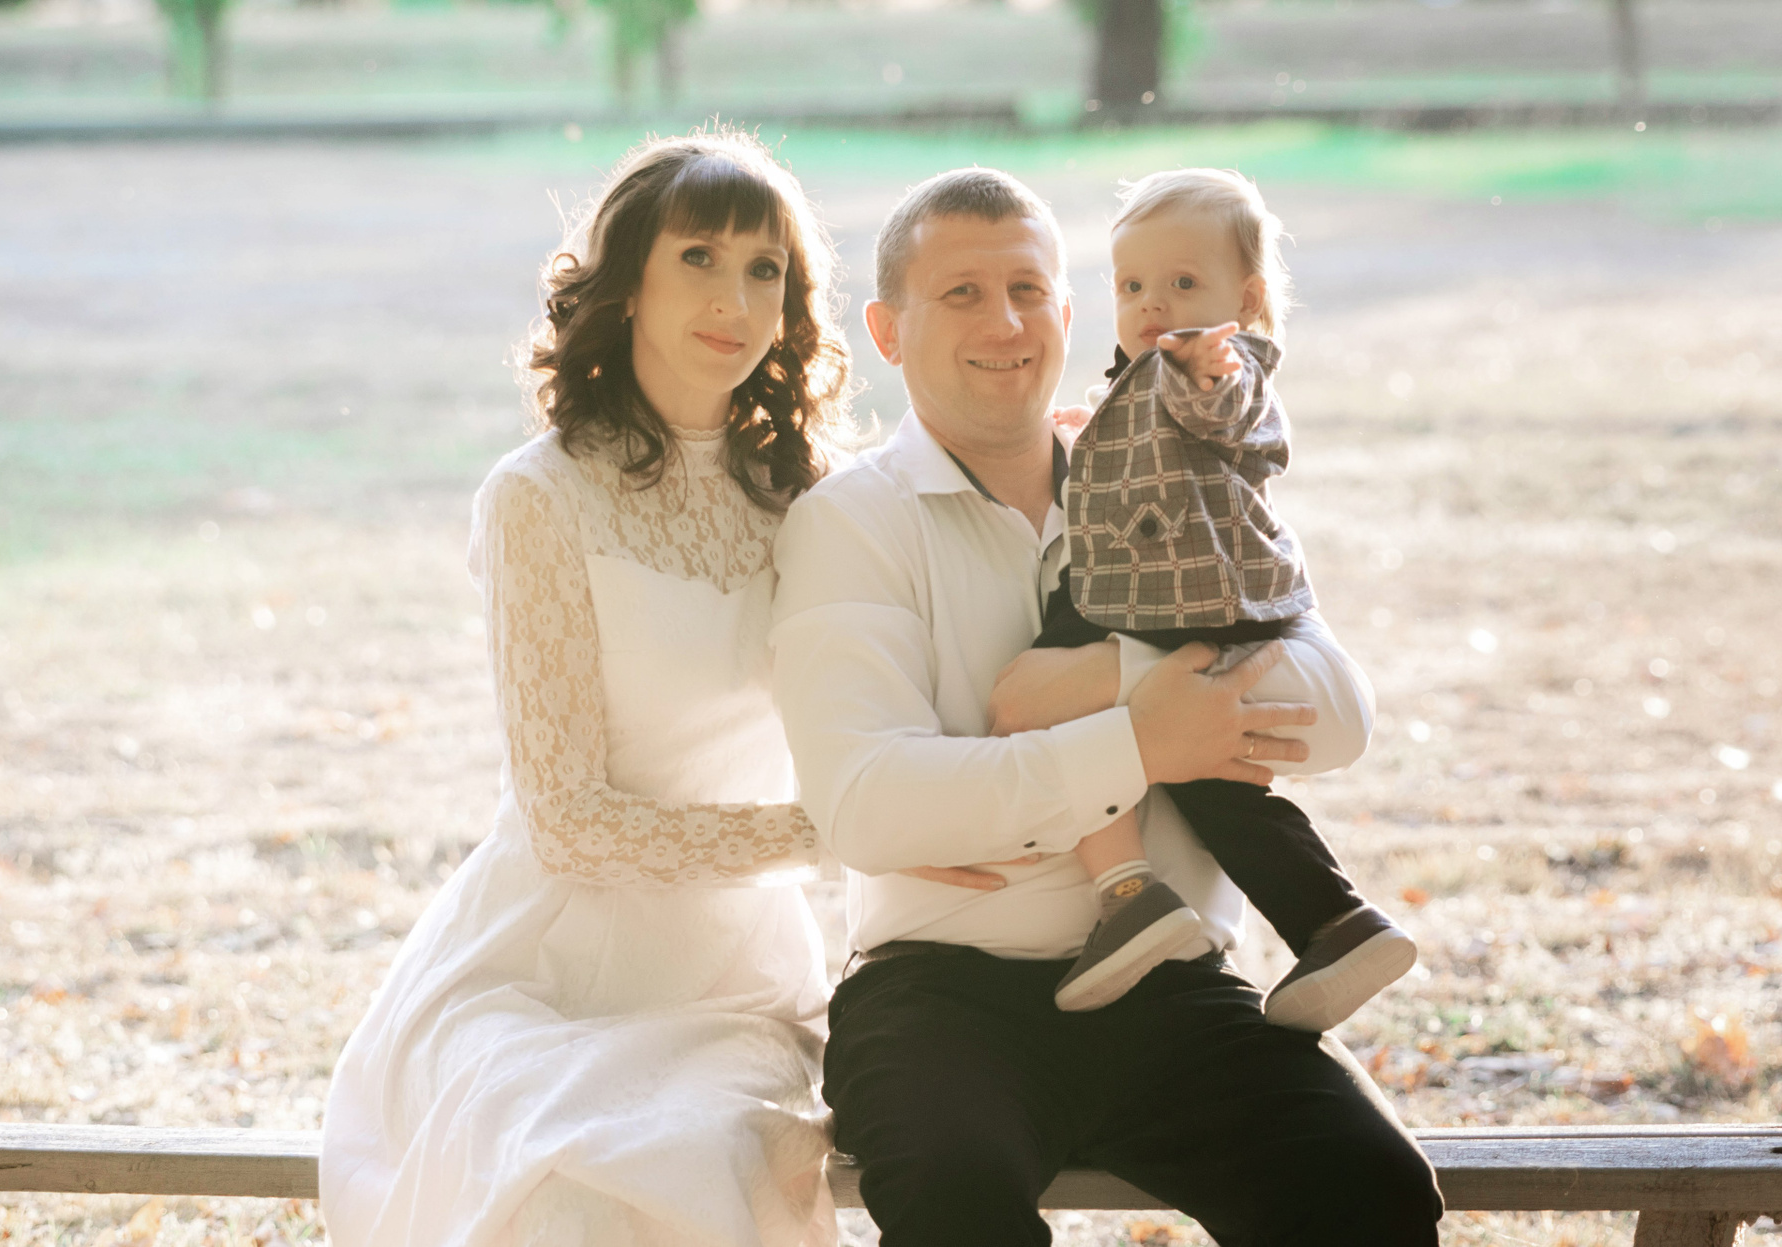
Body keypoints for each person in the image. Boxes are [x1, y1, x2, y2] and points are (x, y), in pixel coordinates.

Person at [770, 167, 1442, 1246]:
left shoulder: (1178, 477)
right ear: (888, 332)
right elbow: (872, 805)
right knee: (953, 1194)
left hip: (1176, 992)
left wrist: (1113, 680)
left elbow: (1336, 711)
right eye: (962, 293)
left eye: (1028, 290)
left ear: (1069, 313)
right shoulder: (851, 521)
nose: (1005, 323)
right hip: (940, 996)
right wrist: (1145, 736)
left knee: (1370, 1188)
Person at [320, 131, 852, 1247]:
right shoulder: (539, 498)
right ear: (629, 284)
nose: (736, 299)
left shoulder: (815, 498)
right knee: (564, 1191)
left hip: (733, 981)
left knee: (702, 1160)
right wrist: (827, 830)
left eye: (765, 269)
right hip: (538, 971)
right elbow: (567, 823)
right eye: (699, 257)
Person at [1041, 167, 1417, 1019]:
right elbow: (1150, 439)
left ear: (1243, 302)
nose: (1153, 303)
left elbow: (1215, 408)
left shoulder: (1220, 369)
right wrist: (1087, 430)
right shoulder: (1142, 376)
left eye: (1183, 283)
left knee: (1045, 693)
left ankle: (1128, 889)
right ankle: (1332, 920)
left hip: (1188, 596)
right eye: (1132, 285)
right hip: (1164, 595)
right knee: (1211, 779)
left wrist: (1205, 367)